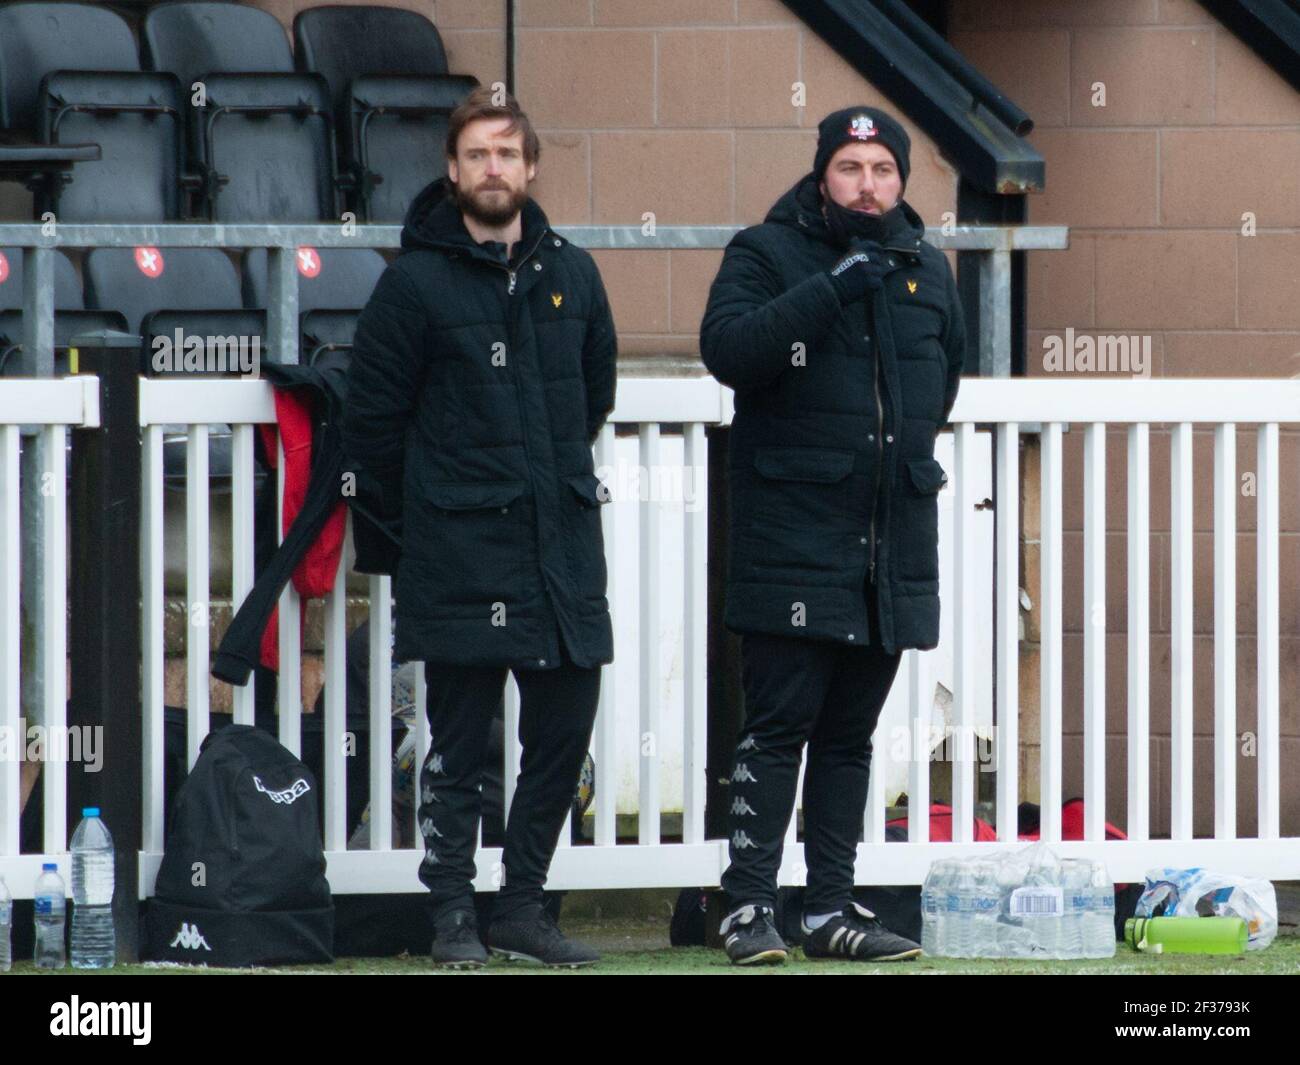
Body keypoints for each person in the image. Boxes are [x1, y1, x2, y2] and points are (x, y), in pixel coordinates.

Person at [341, 87, 617, 969]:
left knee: (562, 733)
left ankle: (524, 906)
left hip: (562, 550)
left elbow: (594, 397)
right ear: (453, 171)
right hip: (459, 552)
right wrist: (421, 528)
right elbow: (373, 426)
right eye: (476, 155)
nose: (493, 168)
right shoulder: (412, 283)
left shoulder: (574, 274)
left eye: (508, 153)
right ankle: (453, 912)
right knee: (457, 749)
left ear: (530, 168)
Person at [699, 106, 965, 964]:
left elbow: (939, 388)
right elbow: (732, 351)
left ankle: (827, 909)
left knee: (851, 737)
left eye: (882, 169)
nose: (867, 184)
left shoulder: (928, 268)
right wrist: (838, 283)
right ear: (823, 176)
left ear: (900, 180)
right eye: (850, 168)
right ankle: (745, 908)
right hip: (791, 540)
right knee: (776, 729)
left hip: (887, 544)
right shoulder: (765, 253)